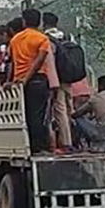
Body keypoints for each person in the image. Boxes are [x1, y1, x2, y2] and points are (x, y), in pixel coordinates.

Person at [9, 9, 56, 153]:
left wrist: (11, 81)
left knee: (25, 115)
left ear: (24, 21)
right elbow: (40, 59)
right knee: (38, 115)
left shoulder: (15, 39)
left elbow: (12, 63)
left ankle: (27, 145)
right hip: (37, 80)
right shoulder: (42, 39)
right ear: (39, 22)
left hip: (18, 83)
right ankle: (39, 147)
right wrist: (27, 78)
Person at [43, 12, 77, 150]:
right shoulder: (68, 36)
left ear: (44, 23)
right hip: (69, 78)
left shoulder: (46, 39)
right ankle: (74, 139)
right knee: (70, 110)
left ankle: (66, 142)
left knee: (59, 111)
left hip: (56, 79)